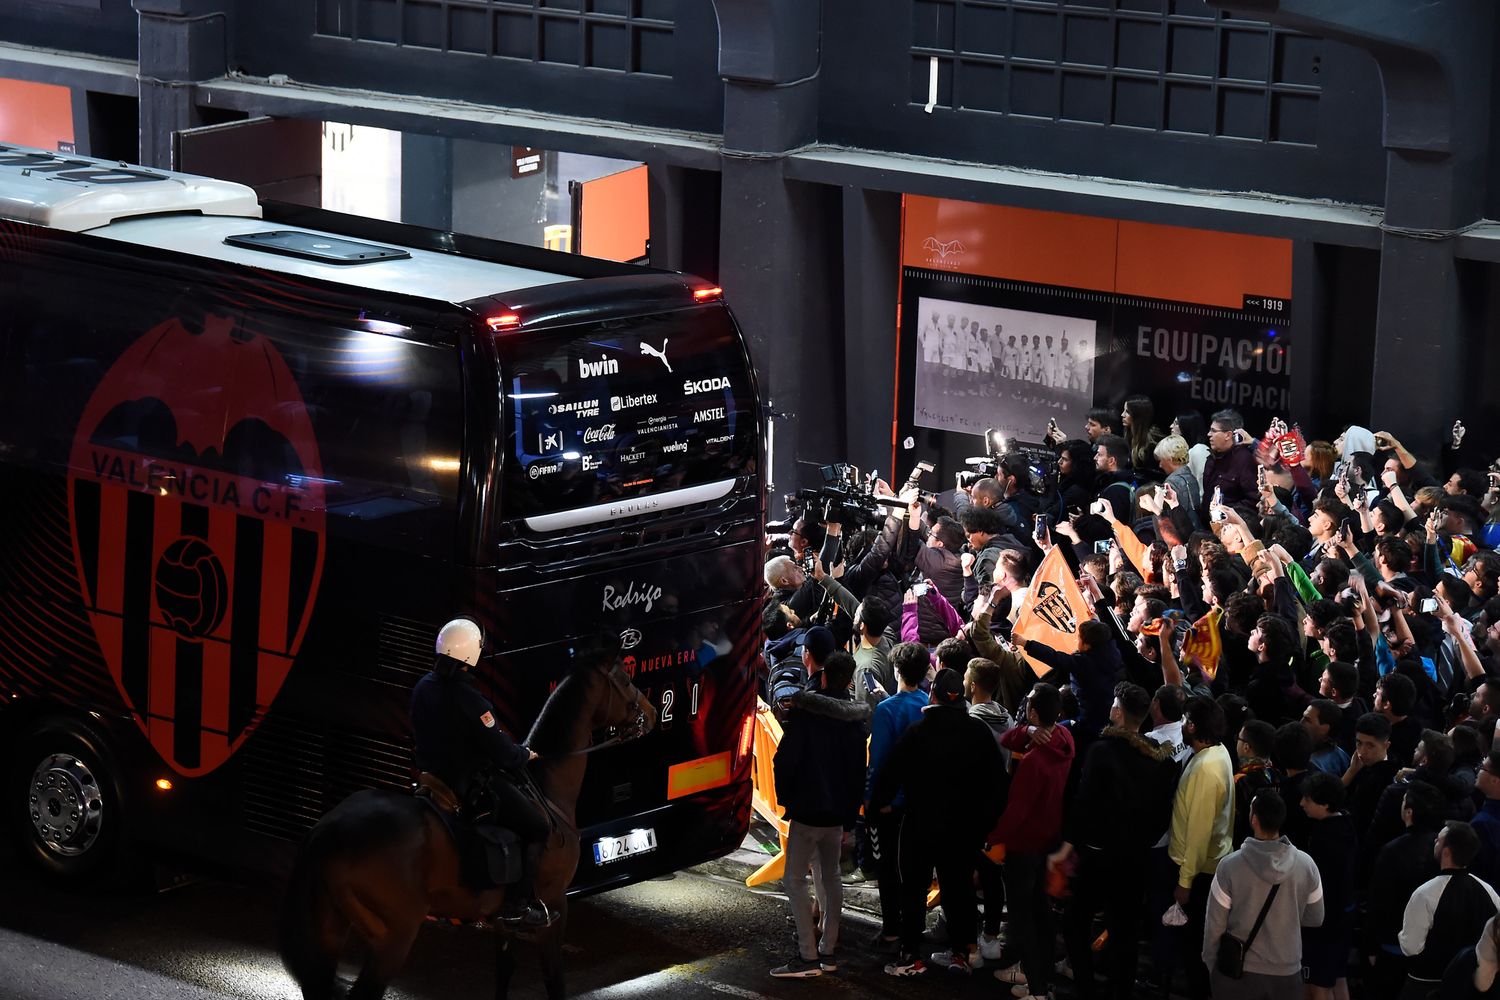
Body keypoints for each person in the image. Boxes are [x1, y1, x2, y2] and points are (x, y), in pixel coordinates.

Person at [410, 618, 550, 927]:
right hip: (466, 784)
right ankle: (518, 904)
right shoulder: (472, 701)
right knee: (538, 827)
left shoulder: (422, 686)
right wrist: (524, 754)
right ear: (471, 657)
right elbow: (501, 751)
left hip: (430, 779)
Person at [872, 668, 1005, 976]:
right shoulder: (979, 733)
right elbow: (997, 783)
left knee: (914, 889)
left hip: (921, 824)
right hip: (964, 829)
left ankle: (910, 956)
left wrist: (879, 805)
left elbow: (889, 775)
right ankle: (961, 954)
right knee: (958, 889)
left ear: (933, 696)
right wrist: (985, 824)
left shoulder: (918, 732)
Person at [1053, 682, 1177, 1000]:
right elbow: (1163, 813)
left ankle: (1085, 987)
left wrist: (1068, 846)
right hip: (1135, 860)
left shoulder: (1102, 751)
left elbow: (1084, 803)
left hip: (1097, 857)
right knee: (1125, 933)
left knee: (1075, 923)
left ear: (1117, 712)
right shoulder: (1160, 759)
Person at [770, 651, 871, 978]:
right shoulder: (856, 721)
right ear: (849, 680)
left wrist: (789, 800)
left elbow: (785, 761)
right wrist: (848, 816)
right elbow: (859, 773)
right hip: (837, 814)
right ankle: (827, 951)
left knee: (794, 879)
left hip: (807, 809)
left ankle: (807, 955)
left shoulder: (806, 714)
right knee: (831, 876)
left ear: (825, 676)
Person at [991, 682, 1076, 1000]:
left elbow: (1017, 812)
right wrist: (1027, 732)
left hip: (1024, 845)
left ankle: (1037, 988)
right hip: (1049, 839)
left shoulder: (1035, 762)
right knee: (1040, 912)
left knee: (1023, 917)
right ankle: (1043, 980)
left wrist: (994, 838)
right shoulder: (1064, 739)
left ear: (1033, 712)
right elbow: (1008, 737)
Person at [1201, 791, 1325, 1000]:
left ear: (1254, 819)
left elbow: (1215, 925)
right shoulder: (1307, 865)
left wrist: (1212, 964)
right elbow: (1316, 917)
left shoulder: (1229, 866)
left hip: (1239, 971)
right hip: (1287, 971)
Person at [1164, 696, 1235, 1000]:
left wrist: (1185, 881)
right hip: (1208, 863)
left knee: (1194, 946)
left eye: (1184, 720)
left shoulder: (1206, 769)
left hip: (1198, 869)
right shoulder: (1217, 752)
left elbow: (1198, 832)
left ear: (1192, 725)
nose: (1181, 725)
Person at [864, 642, 930, 956]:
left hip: (891, 806)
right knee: (915, 871)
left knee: (887, 868)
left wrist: (873, 803)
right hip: (921, 805)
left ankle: (892, 930)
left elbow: (878, 762)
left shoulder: (887, 709)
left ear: (897, 671)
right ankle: (913, 931)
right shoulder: (929, 705)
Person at [1399, 821, 1500, 1000]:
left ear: (1446, 852)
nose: (1435, 842)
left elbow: (1410, 947)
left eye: (1438, 840)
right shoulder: (1489, 891)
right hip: (1474, 988)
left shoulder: (1425, 894)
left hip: (1428, 985)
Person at [1299, 772, 1357, 1000]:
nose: (1301, 803)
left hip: (1323, 924)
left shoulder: (1325, 839)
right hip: (1343, 918)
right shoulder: (1346, 824)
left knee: (1318, 985)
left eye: (1308, 799)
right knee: (1338, 978)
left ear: (1324, 804)